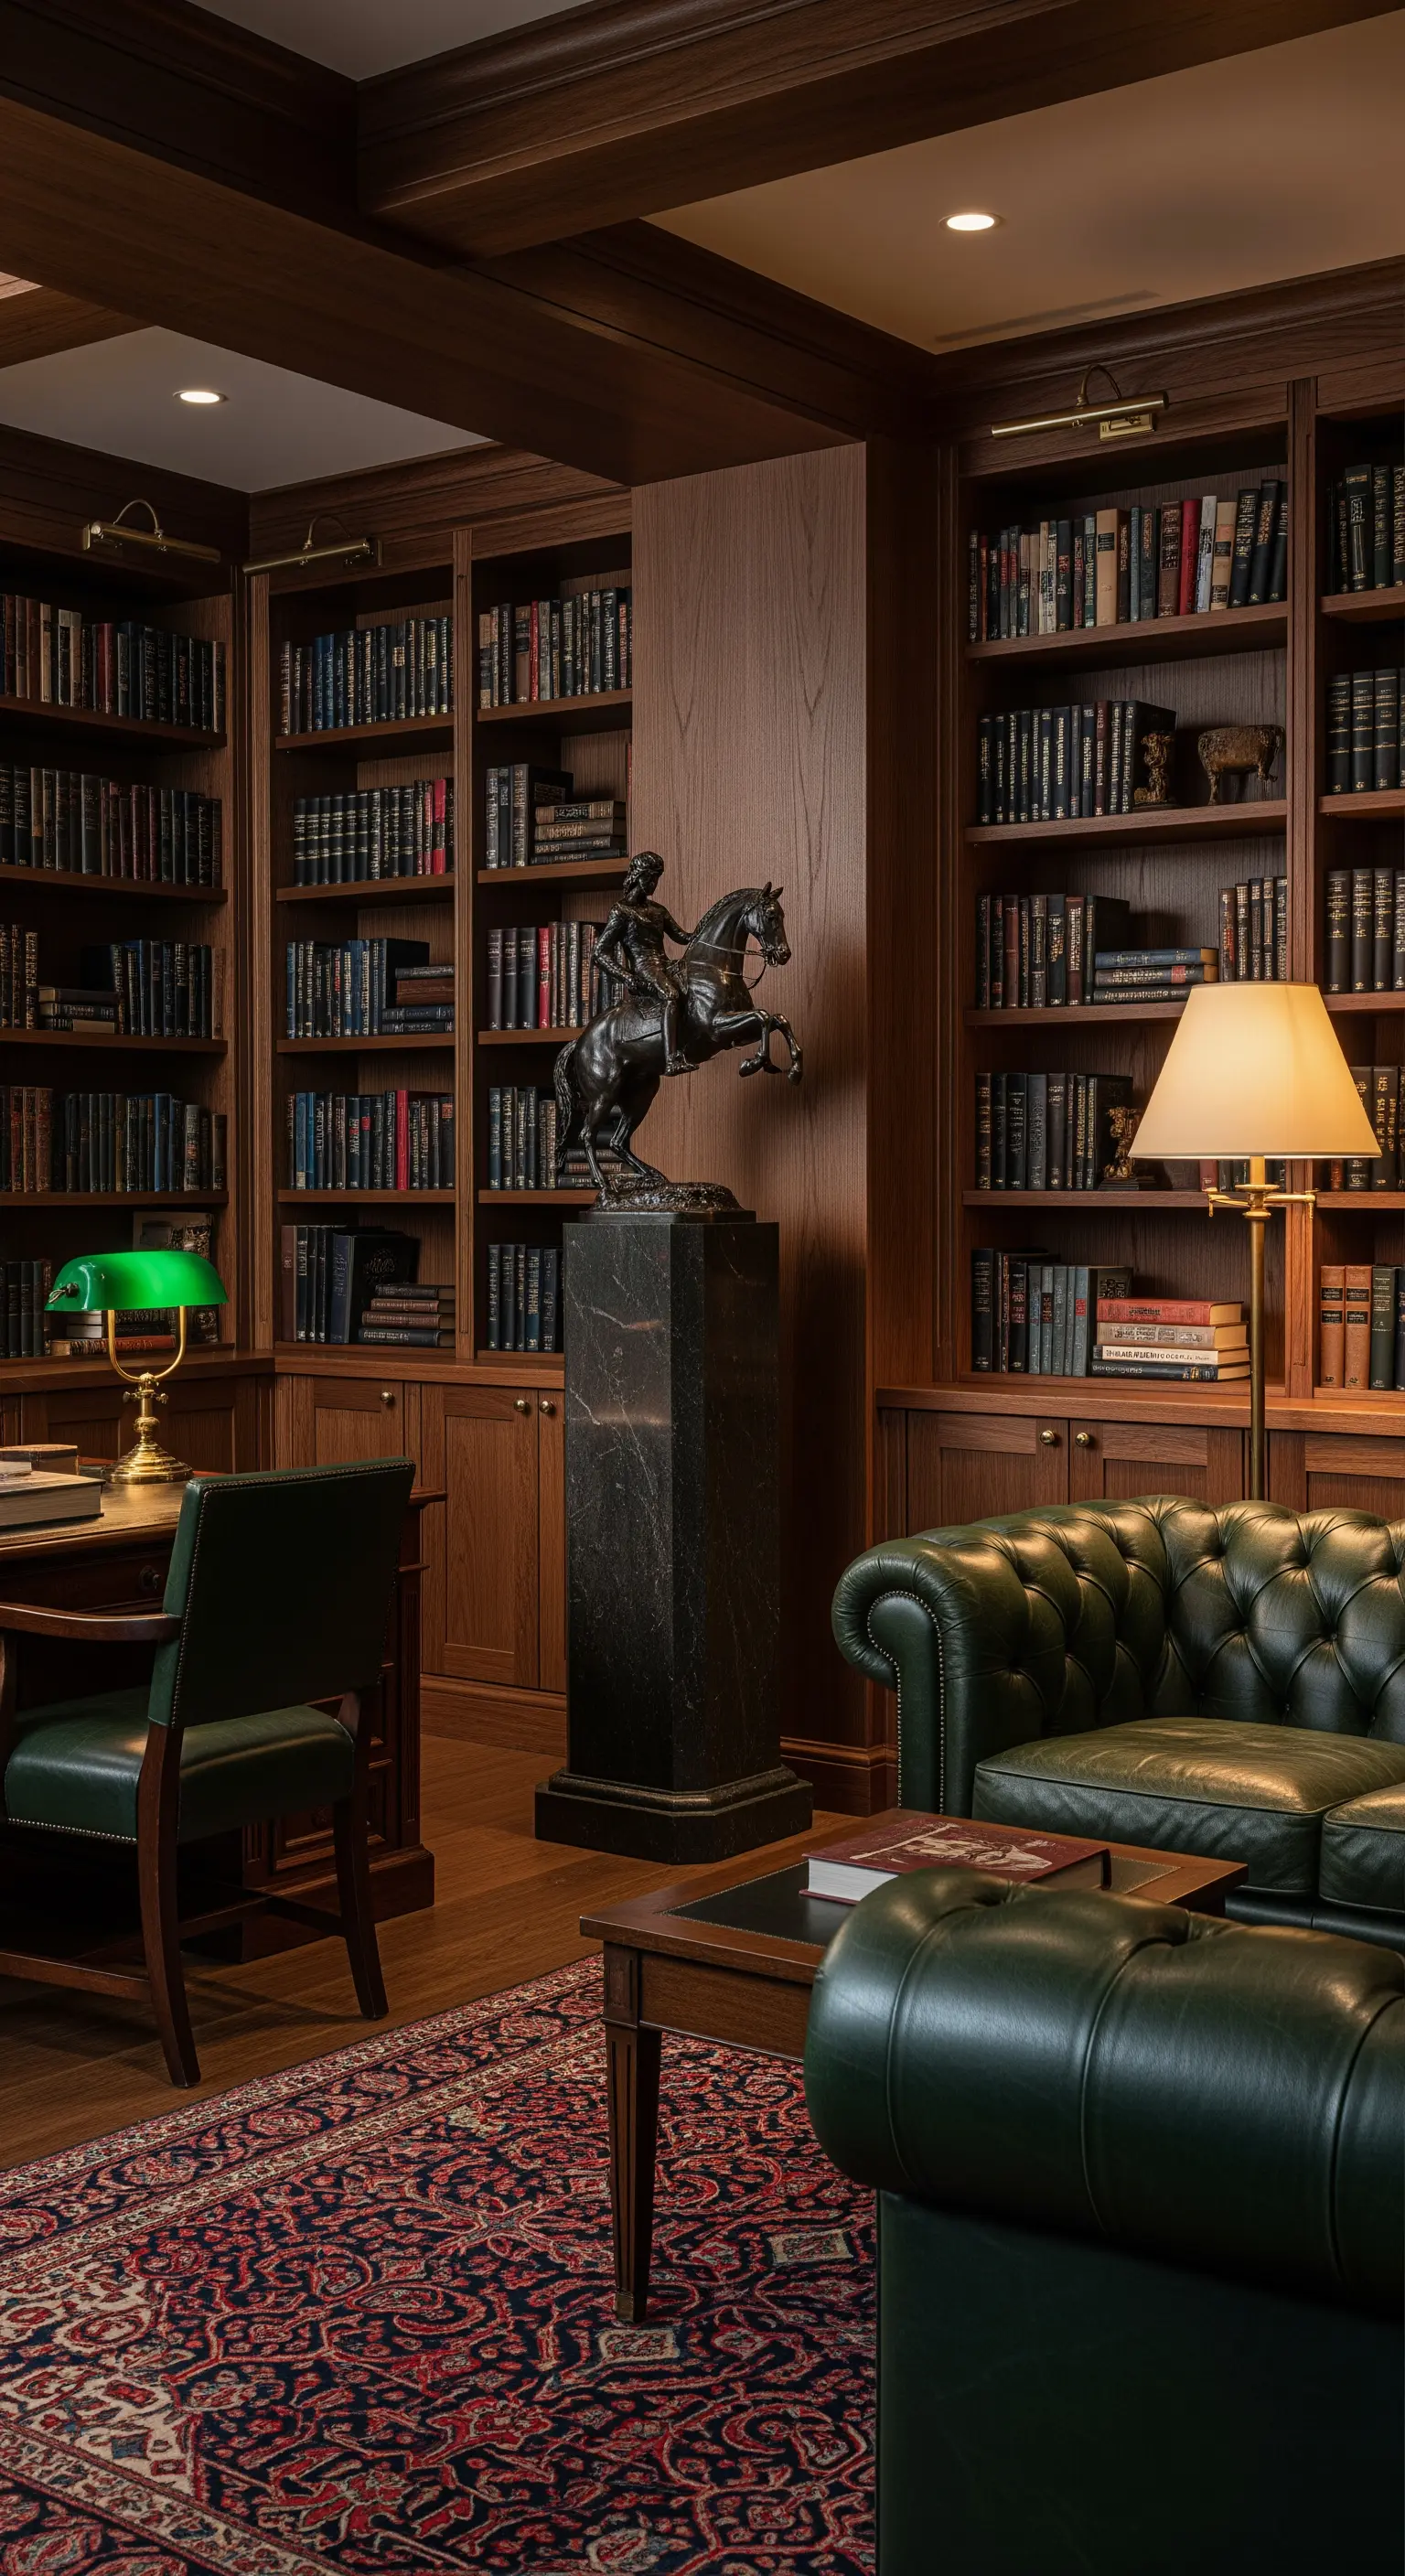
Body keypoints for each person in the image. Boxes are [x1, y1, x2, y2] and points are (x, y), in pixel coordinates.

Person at [595, 850, 696, 1074]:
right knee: (671, 995)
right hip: (644, 968)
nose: (653, 884)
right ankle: (671, 1059)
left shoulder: (658, 911)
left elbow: (682, 937)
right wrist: (627, 976)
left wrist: (709, 925)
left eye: (657, 879)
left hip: (665, 964)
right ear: (637, 876)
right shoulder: (621, 912)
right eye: (650, 878)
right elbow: (600, 953)